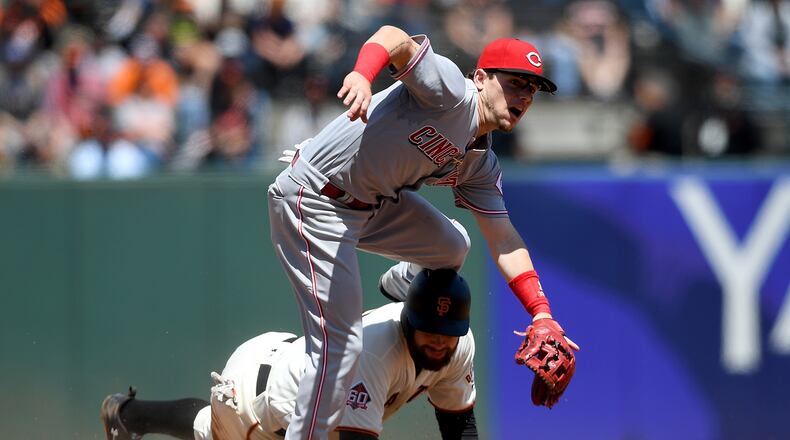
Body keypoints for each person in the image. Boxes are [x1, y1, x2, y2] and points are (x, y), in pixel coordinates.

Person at [267, 25, 579, 439]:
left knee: (453, 245)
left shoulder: (478, 163)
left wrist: (541, 312)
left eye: (532, 89)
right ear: (481, 78)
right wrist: (363, 73)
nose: (523, 96)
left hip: (372, 204)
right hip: (316, 197)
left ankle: (402, 281)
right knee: (340, 347)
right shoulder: (452, 91)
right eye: (515, 82)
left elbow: (504, 239)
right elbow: (393, 35)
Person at [100, 269, 478, 440]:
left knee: (204, 426)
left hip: (287, 363)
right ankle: (128, 416)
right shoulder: (376, 352)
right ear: (408, 320)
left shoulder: (457, 346)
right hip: (259, 405)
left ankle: (127, 415)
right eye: (430, 330)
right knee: (211, 429)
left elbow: (459, 426)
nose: (440, 342)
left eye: (449, 333)